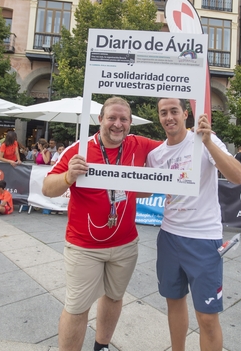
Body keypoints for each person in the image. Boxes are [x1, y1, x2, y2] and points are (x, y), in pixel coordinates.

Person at [42, 96, 161, 351]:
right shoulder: (79, 150)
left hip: (125, 244)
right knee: (76, 307)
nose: (117, 124)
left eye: (123, 119)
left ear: (130, 123)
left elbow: (174, 147)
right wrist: (68, 176)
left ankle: (102, 346)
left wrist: (197, 135)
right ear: (100, 120)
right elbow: (47, 188)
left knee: (115, 297)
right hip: (84, 246)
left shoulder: (138, 145)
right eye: (112, 118)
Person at [146, 98, 241, 351]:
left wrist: (209, 141)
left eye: (174, 111)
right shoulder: (156, 156)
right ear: (159, 117)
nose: (169, 117)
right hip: (169, 236)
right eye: (163, 112)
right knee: (174, 304)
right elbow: (144, 189)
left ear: (185, 114)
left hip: (203, 239)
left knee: (208, 317)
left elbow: (237, 176)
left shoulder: (204, 139)